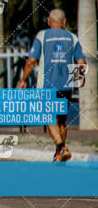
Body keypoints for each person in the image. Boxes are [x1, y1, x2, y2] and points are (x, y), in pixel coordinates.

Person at [18, 9, 86, 161]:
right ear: (64, 22)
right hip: (67, 86)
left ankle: (61, 147)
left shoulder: (42, 36)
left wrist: (23, 79)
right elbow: (81, 62)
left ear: (49, 21)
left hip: (46, 85)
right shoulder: (72, 37)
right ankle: (60, 152)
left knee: (49, 117)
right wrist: (79, 81)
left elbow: (31, 61)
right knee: (62, 121)